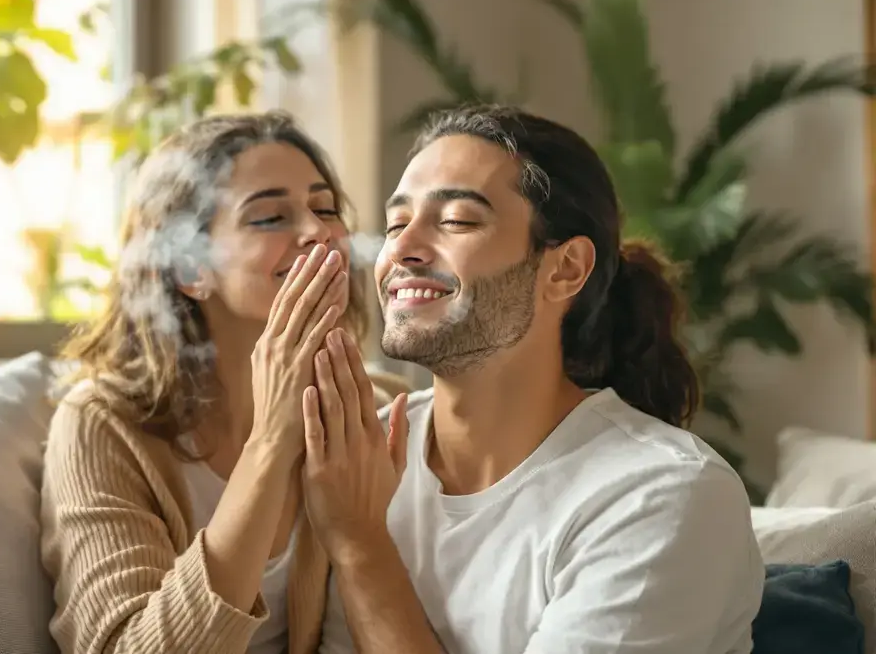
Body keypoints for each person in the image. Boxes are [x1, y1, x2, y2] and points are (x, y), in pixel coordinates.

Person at [305, 105, 765, 653]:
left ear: (565, 268)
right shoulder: (353, 458)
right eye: (395, 224)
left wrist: (361, 547)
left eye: (456, 220)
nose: (401, 250)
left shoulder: (660, 496)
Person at [39, 111, 394, 654]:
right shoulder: (103, 428)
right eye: (271, 217)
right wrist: (272, 442)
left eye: (325, 209)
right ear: (190, 269)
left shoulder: (379, 410)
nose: (318, 232)